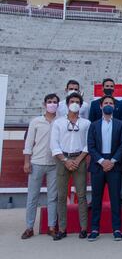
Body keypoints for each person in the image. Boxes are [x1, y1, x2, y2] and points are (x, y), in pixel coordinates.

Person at [50, 92, 90, 241]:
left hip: (79, 159)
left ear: (80, 105)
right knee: (61, 196)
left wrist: (78, 159)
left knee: (81, 195)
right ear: (67, 105)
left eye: (77, 102)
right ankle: (61, 228)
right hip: (62, 160)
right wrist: (65, 160)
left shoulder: (86, 123)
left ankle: (84, 228)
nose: (74, 104)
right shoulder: (58, 122)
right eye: (72, 101)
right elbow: (54, 144)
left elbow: (88, 144)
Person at [87, 95, 122, 242]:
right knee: (96, 199)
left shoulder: (121, 124)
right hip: (98, 165)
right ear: (101, 106)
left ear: (114, 107)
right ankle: (94, 229)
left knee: (115, 199)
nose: (108, 105)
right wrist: (102, 161)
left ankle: (117, 229)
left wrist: (112, 161)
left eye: (111, 103)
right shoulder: (94, 125)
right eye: (106, 103)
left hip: (114, 164)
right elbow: (90, 146)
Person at [21, 94, 60, 240]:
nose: (52, 104)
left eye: (55, 102)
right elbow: (29, 143)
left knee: (52, 197)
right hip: (36, 163)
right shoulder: (36, 121)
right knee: (32, 197)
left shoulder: (61, 121)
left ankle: (51, 227)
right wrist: (26, 161)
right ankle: (29, 227)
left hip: (54, 164)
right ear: (45, 104)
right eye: (49, 102)